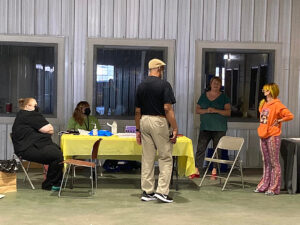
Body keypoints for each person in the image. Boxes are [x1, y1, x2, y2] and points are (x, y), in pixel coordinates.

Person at [135, 58, 178, 203]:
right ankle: (162, 192)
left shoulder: (141, 86)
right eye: (162, 69)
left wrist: (138, 130)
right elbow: (167, 108)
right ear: (159, 69)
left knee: (147, 157)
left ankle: (147, 192)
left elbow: (137, 111)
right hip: (158, 121)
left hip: (144, 121)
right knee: (165, 156)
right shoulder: (164, 85)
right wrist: (175, 127)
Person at [11, 98, 63, 191]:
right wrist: (45, 130)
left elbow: (48, 129)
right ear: (27, 106)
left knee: (57, 150)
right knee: (57, 156)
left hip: (27, 146)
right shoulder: (29, 115)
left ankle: (56, 182)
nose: (37, 107)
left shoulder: (22, 115)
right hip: (27, 149)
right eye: (35, 105)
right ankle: (50, 184)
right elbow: (49, 129)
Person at [255, 83, 293, 195]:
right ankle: (264, 185)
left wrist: (280, 120)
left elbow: (290, 115)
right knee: (265, 161)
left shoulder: (277, 105)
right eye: (264, 89)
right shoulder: (264, 104)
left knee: (273, 162)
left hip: (273, 135)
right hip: (263, 134)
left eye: (266, 90)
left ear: (271, 91)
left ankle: (274, 187)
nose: (264, 91)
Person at [191, 77, 231, 179]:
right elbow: (197, 110)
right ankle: (197, 170)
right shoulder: (204, 96)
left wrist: (216, 110)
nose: (216, 85)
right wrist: (207, 110)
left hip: (219, 128)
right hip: (205, 127)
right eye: (214, 83)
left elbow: (228, 112)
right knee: (200, 149)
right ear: (210, 84)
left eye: (218, 83)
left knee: (217, 150)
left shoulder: (224, 97)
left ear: (220, 85)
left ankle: (214, 171)